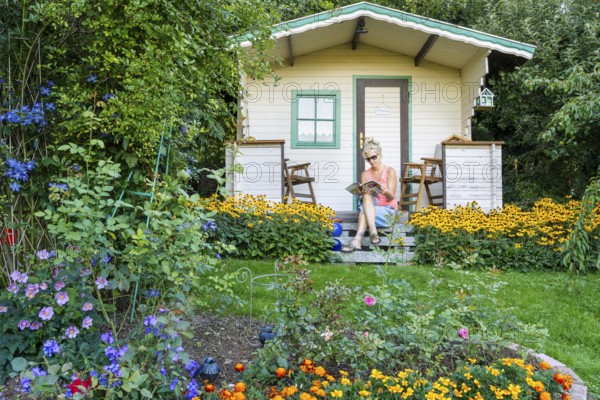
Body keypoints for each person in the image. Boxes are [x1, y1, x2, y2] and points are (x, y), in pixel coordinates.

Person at [341, 137, 398, 253]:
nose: (371, 161)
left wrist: (384, 191)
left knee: (363, 211)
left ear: (380, 154)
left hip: (387, 212)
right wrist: (360, 192)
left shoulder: (390, 171)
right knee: (366, 196)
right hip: (371, 210)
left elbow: (391, 197)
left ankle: (357, 241)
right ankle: (373, 233)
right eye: (368, 159)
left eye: (374, 157)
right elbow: (364, 196)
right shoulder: (365, 174)